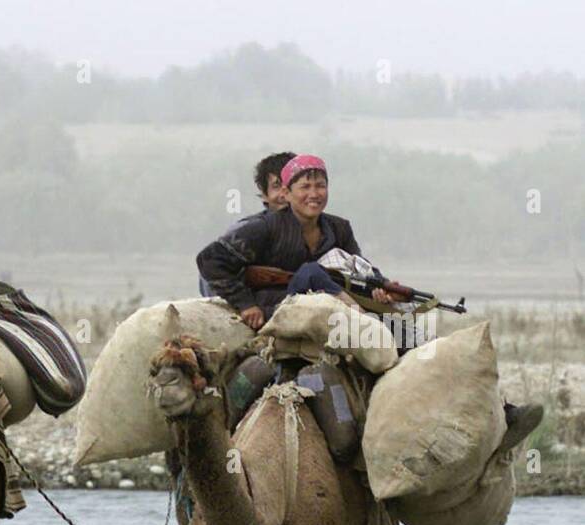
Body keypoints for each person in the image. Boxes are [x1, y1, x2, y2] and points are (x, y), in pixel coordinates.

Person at [198, 154, 543, 453]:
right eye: (304, 187)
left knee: (413, 336)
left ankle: (496, 412)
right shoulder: (263, 228)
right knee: (311, 272)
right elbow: (210, 260)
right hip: (286, 312)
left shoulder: (338, 228)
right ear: (286, 193)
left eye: (320, 186)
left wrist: (379, 291)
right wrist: (245, 304)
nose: (314, 194)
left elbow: (360, 270)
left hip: (339, 311)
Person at [197, 151, 294, 297]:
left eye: (290, 185)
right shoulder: (248, 231)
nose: (284, 193)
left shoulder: (325, 229)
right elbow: (210, 274)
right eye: (276, 186)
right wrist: (244, 304)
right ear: (264, 195)